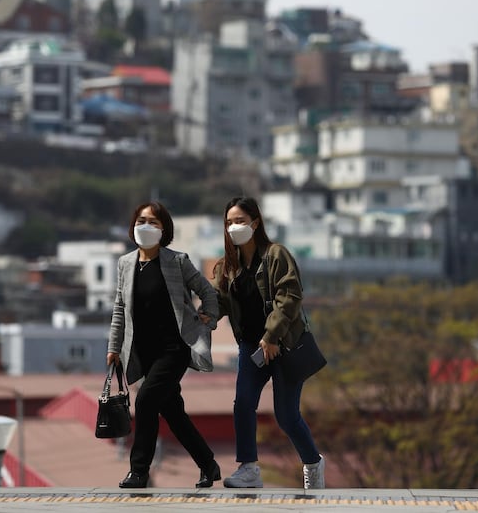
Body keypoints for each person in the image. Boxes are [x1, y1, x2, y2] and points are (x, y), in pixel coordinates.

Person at [212, 196, 325, 489]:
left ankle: (313, 463)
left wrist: (271, 336)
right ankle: (248, 468)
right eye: (229, 223)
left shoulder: (276, 255)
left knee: (286, 416)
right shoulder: (228, 265)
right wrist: (202, 315)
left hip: (282, 345)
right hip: (252, 348)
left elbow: (289, 297)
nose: (234, 227)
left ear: (255, 223)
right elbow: (218, 301)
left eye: (239, 221)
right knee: (243, 404)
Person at [107, 201, 221, 489]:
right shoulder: (125, 263)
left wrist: (208, 320)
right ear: (133, 226)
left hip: (173, 349)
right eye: (141, 220)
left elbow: (207, 291)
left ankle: (139, 471)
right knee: (173, 413)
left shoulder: (177, 261)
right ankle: (208, 464)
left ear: (164, 230)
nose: (146, 226)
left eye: (154, 222)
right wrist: (114, 347)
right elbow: (120, 307)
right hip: (144, 351)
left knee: (145, 400)